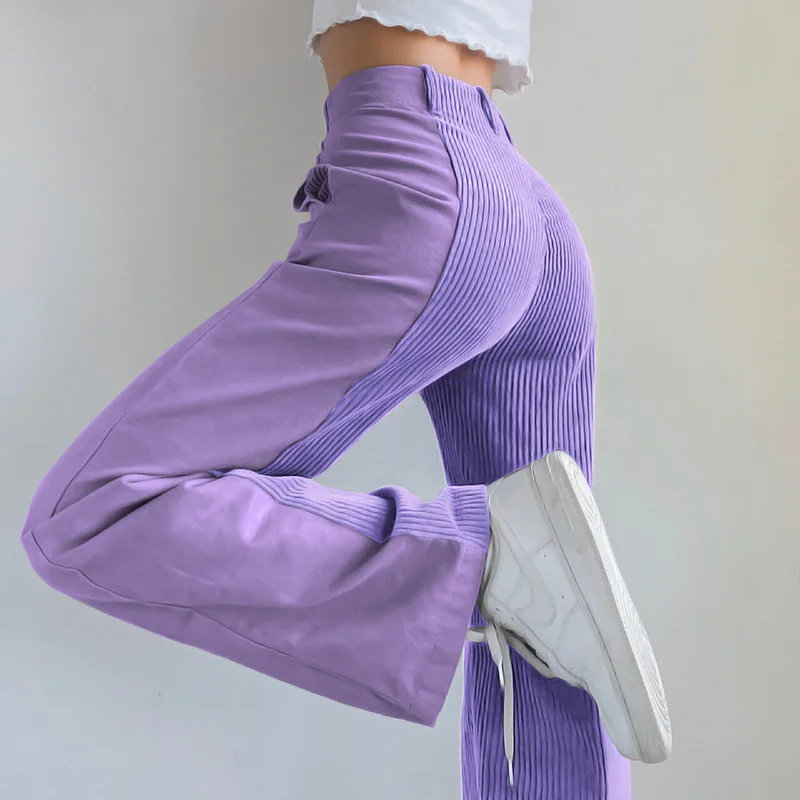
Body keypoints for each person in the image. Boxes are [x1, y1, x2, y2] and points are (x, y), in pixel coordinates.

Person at [20, 3, 672, 798]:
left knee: (92, 511)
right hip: (517, 202)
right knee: (554, 644)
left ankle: (489, 557)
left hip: (422, 178)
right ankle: (506, 569)